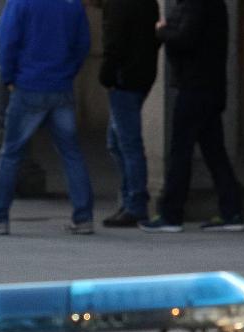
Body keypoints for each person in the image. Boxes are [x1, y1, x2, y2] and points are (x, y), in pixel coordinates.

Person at [0, 0, 95, 235]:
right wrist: (68, 73)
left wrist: (9, 78)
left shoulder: (20, 3)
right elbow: (82, 45)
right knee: (71, 154)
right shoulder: (73, 4)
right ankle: (83, 217)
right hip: (61, 87)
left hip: (28, 85)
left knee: (10, 154)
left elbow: (7, 41)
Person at [139, 0, 244, 233]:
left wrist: (162, 30)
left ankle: (171, 214)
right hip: (209, 86)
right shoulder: (211, 5)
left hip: (195, 86)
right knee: (214, 152)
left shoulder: (195, 4)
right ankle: (232, 211)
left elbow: (185, 38)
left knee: (181, 151)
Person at [99, 0, 160, 227]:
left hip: (124, 79)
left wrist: (107, 75)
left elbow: (114, 41)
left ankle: (135, 203)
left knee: (127, 143)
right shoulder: (148, 3)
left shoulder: (118, 4)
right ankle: (130, 200)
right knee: (117, 142)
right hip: (141, 75)